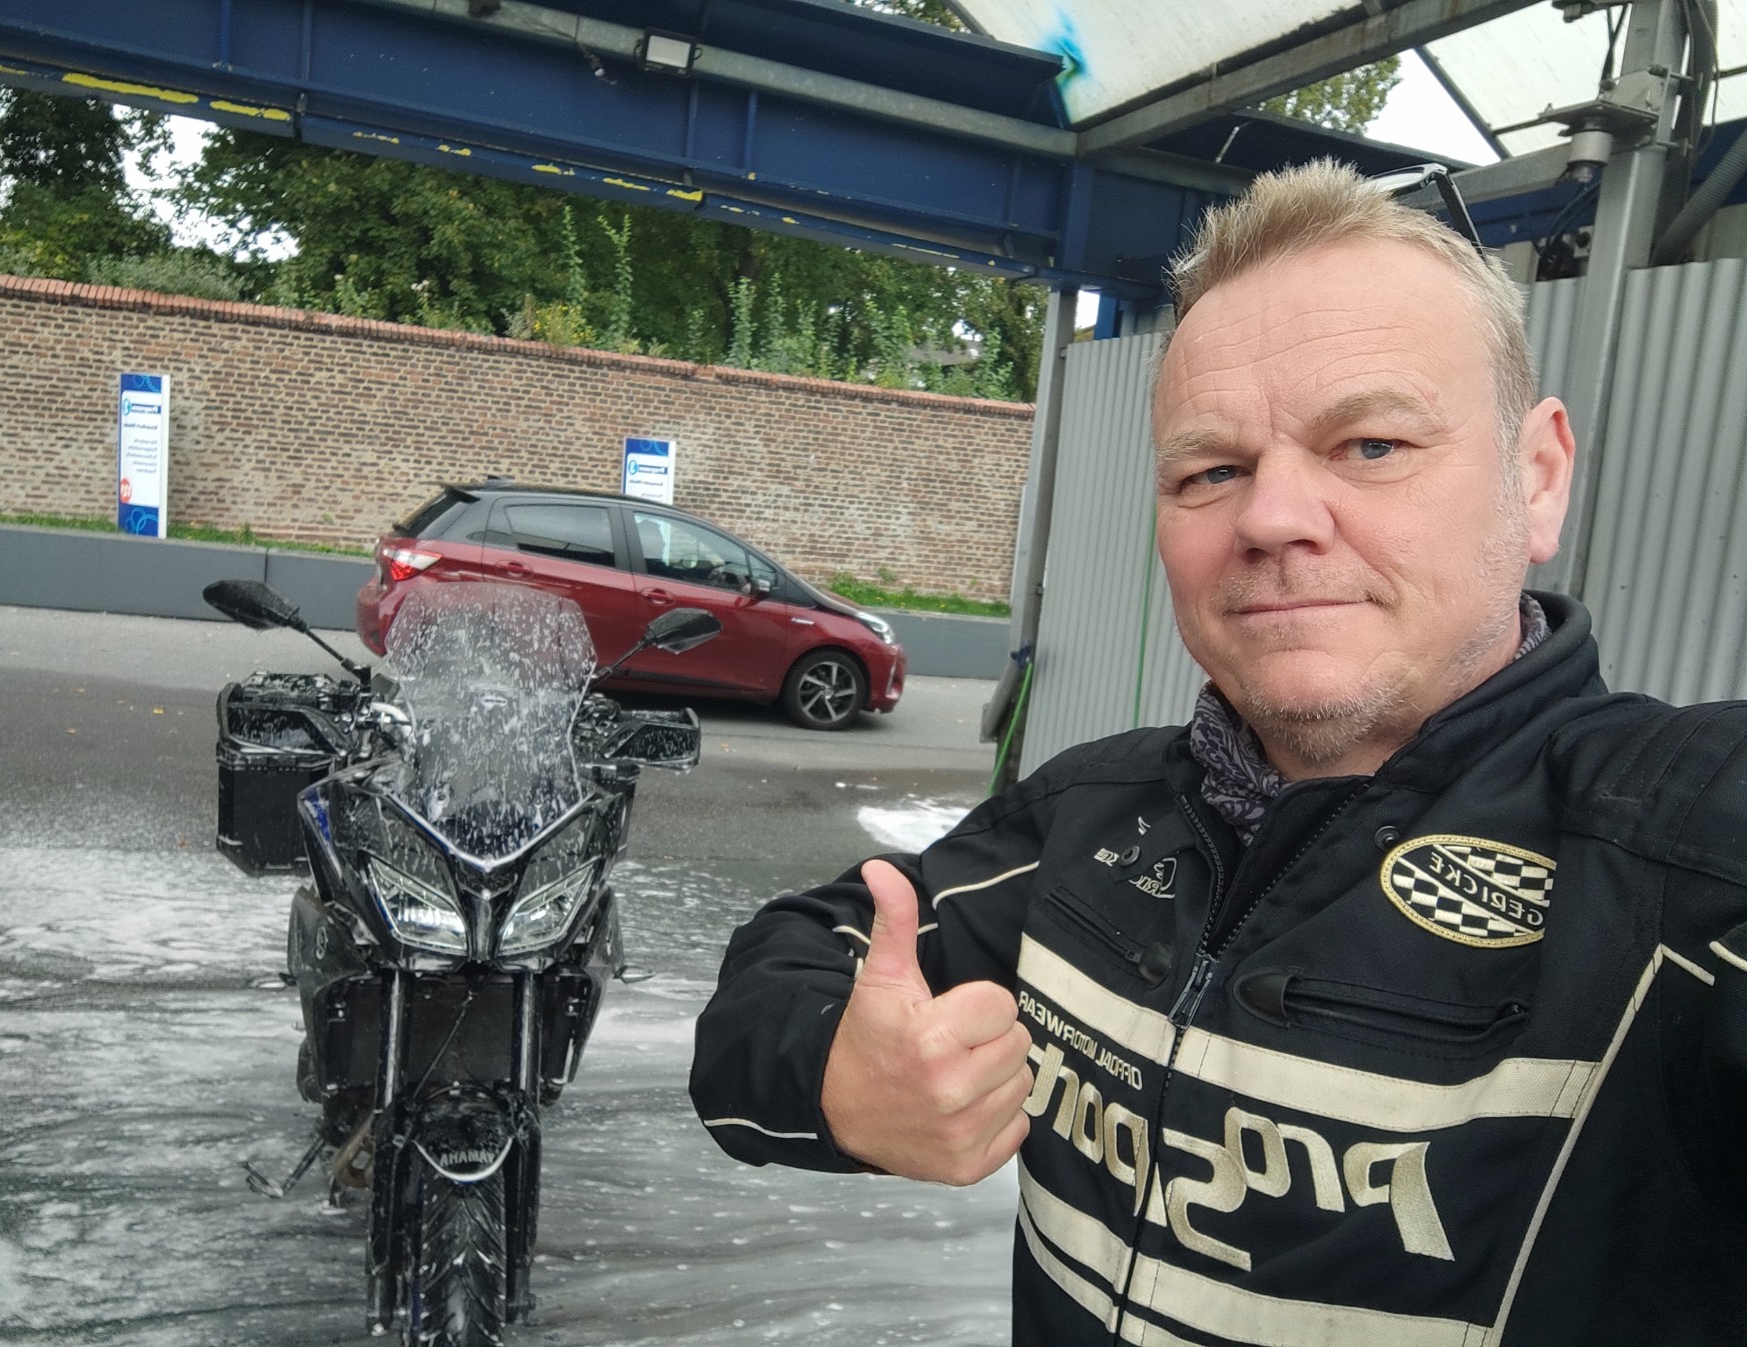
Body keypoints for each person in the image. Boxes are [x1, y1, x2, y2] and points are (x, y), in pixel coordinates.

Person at [688, 159, 1747, 1346]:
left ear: (1536, 478)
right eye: (1213, 471)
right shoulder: (1091, 813)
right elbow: (788, 964)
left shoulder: (1684, 865)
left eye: (1372, 444)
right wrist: (838, 1072)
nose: (1271, 517)